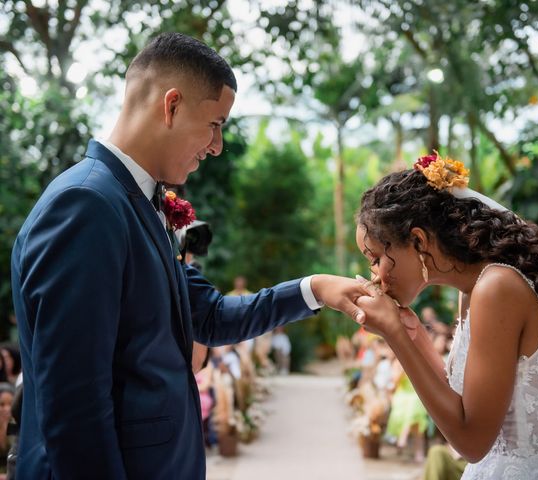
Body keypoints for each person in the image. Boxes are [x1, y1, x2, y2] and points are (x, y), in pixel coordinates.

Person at [10, 32, 368, 479]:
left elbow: (209, 316)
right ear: (172, 105)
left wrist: (314, 289)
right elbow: (74, 404)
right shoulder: (86, 205)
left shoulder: (137, 204)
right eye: (215, 124)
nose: (216, 146)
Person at [353, 152, 538, 477]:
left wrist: (394, 334)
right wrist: (414, 334)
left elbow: (473, 442)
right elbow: (463, 400)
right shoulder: (473, 290)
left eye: (376, 257)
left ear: (418, 240)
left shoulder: (497, 288)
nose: (375, 275)